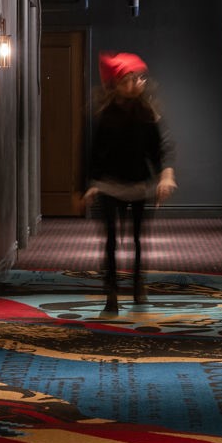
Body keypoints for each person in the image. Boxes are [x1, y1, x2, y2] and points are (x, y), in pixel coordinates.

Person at [81, 52, 176, 315]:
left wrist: (165, 175)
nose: (134, 84)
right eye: (128, 80)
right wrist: (90, 184)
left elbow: (159, 149)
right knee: (110, 241)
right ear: (116, 85)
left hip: (137, 185)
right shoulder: (105, 115)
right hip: (109, 185)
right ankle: (111, 290)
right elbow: (94, 152)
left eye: (137, 79)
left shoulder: (147, 113)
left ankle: (138, 284)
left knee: (137, 240)